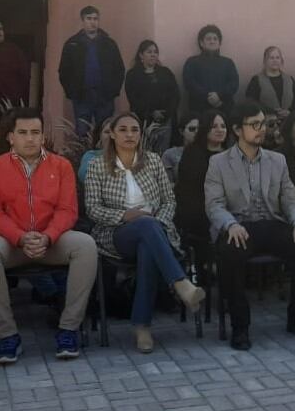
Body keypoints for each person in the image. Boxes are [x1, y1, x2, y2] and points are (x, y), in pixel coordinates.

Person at [0, 108, 98, 364]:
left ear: (43, 136)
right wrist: (20, 237)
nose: (30, 138)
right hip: (12, 243)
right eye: (22, 133)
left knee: (85, 245)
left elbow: (67, 210)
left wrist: (48, 236)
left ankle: (69, 329)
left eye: (35, 132)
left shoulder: (61, 165)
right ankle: (8, 335)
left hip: (51, 241)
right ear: (10, 137)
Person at [83, 112, 205, 353]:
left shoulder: (152, 161)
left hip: (155, 230)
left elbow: (169, 201)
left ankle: (142, 327)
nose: (129, 135)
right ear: (112, 134)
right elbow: (92, 208)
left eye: (134, 130)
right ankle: (180, 283)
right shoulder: (97, 165)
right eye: (123, 130)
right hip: (117, 233)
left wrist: (157, 222)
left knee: (147, 245)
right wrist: (124, 216)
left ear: (141, 134)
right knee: (146, 228)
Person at [206, 102, 295, 349]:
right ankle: (240, 326)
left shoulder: (277, 160)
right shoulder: (218, 162)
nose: (262, 129)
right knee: (229, 251)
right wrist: (230, 225)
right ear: (237, 129)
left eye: (264, 124)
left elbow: (290, 198)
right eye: (254, 124)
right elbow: (214, 205)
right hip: (239, 226)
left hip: (271, 224)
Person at [58, 6, 126, 138]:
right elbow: (64, 71)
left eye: (95, 19)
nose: (92, 22)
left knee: (105, 133)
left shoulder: (109, 44)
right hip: (82, 97)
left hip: (104, 97)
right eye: (89, 18)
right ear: (82, 21)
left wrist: (113, 91)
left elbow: (119, 69)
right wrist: (72, 92)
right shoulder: (72, 44)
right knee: (82, 133)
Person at [175, 110, 229, 244]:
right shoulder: (192, 153)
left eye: (223, 126)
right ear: (205, 128)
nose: (220, 130)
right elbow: (190, 189)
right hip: (199, 209)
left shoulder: (231, 154)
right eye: (214, 126)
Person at [124, 39, 181, 153]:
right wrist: (151, 112)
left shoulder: (165, 72)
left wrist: (167, 112)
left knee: (165, 150)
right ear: (141, 55)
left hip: (166, 118)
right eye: (149, 52)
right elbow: (133, 98)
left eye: (155, 52)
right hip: (144, 118)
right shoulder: (132, 75)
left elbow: (175, 94)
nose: (153, 54)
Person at [182, 24, 239, 113]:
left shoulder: (228, 63)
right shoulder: (192, 62)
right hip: (199, 109)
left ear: (219, 43)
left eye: (215, 39)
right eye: (208, 39)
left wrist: (219, 96)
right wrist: (208, 96)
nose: (212, 41)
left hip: (224, 107)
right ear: (201, 43)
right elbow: (189, 83)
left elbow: (234, 83)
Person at [245, 46, 295, 123]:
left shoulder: (289, 79)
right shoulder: (257, 80)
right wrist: (271, 111)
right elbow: (250, 102)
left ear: (281, 60)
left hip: (288, 122)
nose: (275, 60)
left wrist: (290, 111)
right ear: (265, 61)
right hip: (266, 123)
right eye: (271, 58)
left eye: (277, 57)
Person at [162, 115, 199, 182]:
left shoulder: (207, 153)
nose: (196, 132)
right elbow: (167, 184)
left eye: (199, 129)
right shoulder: (170, 154)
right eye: (192, 129)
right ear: (181, 131)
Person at [79, 118, 114, 184]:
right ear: (100, 136)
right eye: (107, 132)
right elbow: (87, 178)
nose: (110, 136)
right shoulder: (90, 156)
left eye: (114, 132)